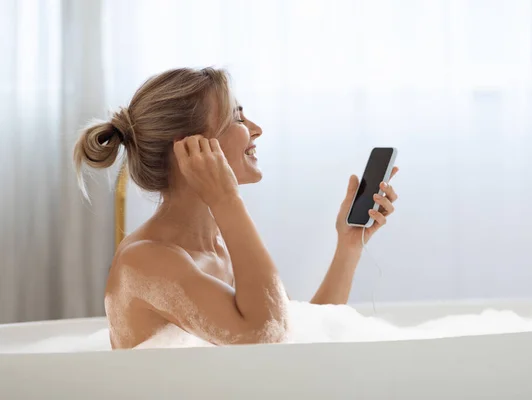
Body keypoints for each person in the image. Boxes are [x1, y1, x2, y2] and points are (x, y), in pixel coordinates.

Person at [73, 67, 398, 349]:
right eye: (237, 117)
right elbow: (267, 337)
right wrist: (226, 200)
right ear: (191, 148)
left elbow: (292, 341)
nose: (256, 129)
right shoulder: (145, 260)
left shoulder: (217, 248)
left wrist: (349, 246)